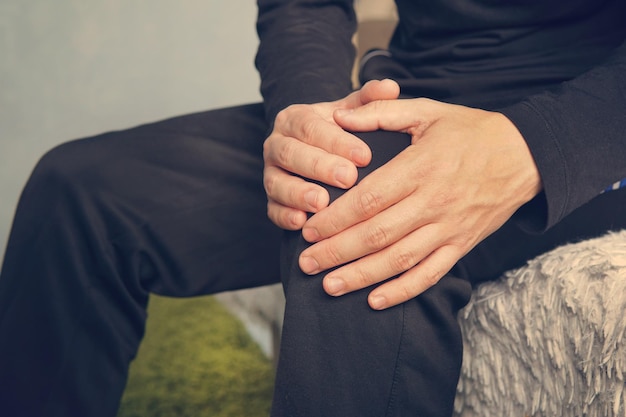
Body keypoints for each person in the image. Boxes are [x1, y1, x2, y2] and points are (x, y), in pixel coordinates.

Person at [1, 0, 625, 416]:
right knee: (79, 192)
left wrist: (534, 144)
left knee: (351, 239)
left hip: (585, 124)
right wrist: (308, 120)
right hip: (410, 98)